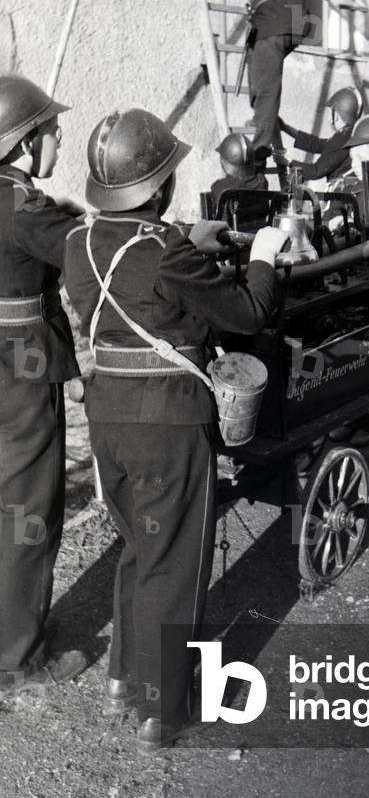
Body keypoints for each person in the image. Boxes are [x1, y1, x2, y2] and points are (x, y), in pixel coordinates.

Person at [63, 108, 286, 754]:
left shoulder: (81, 241)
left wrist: (190, 236)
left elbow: (135, 268)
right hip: (169, 423)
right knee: (176, 561)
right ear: (157, 186)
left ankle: (123, 680)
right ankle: (163, 710)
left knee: (140, 549)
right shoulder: (167, 251)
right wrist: (265, 255)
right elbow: (246, 310)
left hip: (109, 421)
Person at [0, 73, 87, 695]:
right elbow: (90, 251)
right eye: (52, 131)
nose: (59, 138)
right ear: (25, 144)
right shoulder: (24, 205)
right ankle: (17, 657)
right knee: (27, 507)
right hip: (19, 370)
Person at [200, 0, 307, 167]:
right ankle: (265, 122)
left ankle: (259, 149)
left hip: (274, 21)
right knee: (261, 77)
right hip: (293, 21)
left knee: (267, 87)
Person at [279, 86, 363, 183]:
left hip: (340, 193)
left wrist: (288, 161)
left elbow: (316, 171)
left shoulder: (342, 138)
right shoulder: (348, 135)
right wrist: (285, 127)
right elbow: (318, 144)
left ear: (336, 115)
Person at [211, 131, 270, 229]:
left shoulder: (220, 187)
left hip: (230, 241)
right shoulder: (262, 182)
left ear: (223, 162)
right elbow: (253, 174)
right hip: (258, 238)